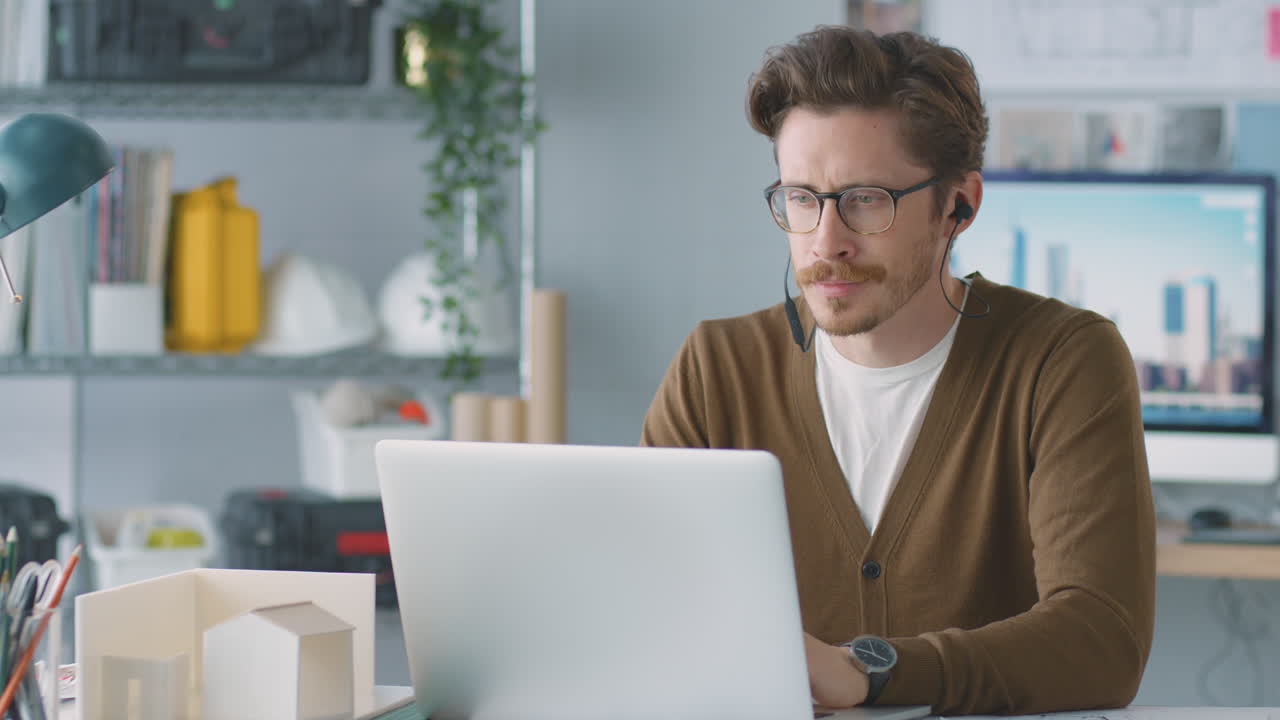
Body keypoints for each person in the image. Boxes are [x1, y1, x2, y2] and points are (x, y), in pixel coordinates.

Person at [640, 26, 1155, 716]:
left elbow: (1100, 642)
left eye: (865, 199)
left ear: (958, 206)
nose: (826, 242)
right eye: (801, 198)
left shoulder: (1061, 360)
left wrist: (871, 671)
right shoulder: (717, 369)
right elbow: (643, 608)